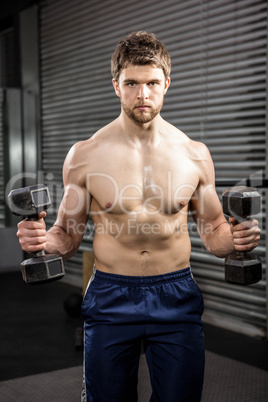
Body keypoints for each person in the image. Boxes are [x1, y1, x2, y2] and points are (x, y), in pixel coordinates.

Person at [17, 31, 260, 402]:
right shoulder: (85, 155)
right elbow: (66, 232)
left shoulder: (195, 154)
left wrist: (236, 239)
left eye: (151, 83)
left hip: (176, 294)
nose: (142, 94)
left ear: (167, 83)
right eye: (132, 83)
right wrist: (42, 241)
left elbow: (212, 228)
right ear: (116, 85)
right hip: (111, 295)